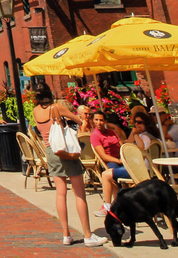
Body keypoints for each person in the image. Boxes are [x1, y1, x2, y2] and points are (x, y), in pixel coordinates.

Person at [32, 85, 105, 247]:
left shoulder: (36, 111)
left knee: (60, 194)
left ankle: (66, 234)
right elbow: (80, 121)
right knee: (79, 193)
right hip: (66, 150)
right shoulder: (56, 108)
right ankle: (87, 235)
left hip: (51, 151)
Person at [90, 110, 128, 217]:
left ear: (105, 121)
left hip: (121, 159)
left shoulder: (111, 132)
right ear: (93, 121)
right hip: (111, 161)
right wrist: (119, 161)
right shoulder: (95, 135)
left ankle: (119, 204)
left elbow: (121, 146)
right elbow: (103, 156)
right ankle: (108, 206)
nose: (99, 122)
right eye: (96, 120)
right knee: (112, 176)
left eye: (101, 120)